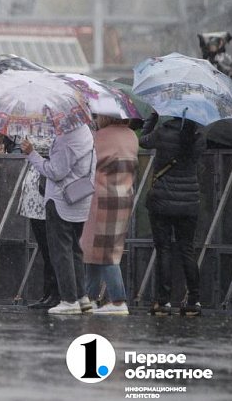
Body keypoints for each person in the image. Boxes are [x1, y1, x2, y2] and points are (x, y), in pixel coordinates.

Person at [22, 123, 96, 315]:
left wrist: (32, 154)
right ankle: (81, 297)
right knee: (74, 249)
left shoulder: (66, 138)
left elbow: (55, 171)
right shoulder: (86, 132)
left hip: (61, 199)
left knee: (60, 251)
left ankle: (69, 299)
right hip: (80, 197)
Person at [139, 112, 206, 316]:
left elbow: (143, 141)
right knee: (187, 248)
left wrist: (151, 119)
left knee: (164, 249)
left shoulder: (163, 132)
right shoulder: (198, 136)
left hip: (163, 200)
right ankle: (193, 301)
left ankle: (163, 302)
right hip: (189, 201)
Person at [81, 116, 138, 315]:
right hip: (123, 196)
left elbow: (86, 162)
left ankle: (117, 300)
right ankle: (90, 298)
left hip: (101, 197)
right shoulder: (131, 136)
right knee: (98, 249)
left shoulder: (100, 137)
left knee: (104, 252)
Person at [17, 136, 59, 309]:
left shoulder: (58, 131)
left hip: (46, 192)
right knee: (44, 247)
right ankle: (48, 292)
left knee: (52, 248)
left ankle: (56, 292)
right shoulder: (33, 127)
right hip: (34, 194)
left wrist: (32, 150)